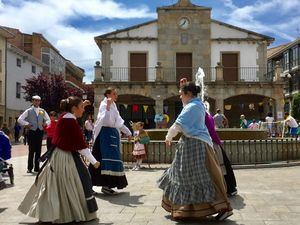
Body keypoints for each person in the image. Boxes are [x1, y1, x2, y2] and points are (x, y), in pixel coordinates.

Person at [157, 82, 233, 221]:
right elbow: (184, 117)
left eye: (181, 94)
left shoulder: (192, 107)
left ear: (189, 94)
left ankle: (222, 207)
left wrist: (168, 137)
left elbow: (178, 124)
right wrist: (183, 85)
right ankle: (186, 210)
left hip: (195, 147)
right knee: (188, 176)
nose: (180, 97)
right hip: (194, 145)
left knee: (200, 177)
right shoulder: (196, 105)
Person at [18, 96, 100, 224]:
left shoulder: (65, 116)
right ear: (73, 108)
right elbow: (81, 146)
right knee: (69, 184)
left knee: (57, 186)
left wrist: (81, 103)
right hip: (64, 157)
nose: (84, 110)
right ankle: (66, 214)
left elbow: (73, 118)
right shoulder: (70, 121)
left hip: (59, 155)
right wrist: (94, 162)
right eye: (82, 107)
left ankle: (53, 213)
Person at [89, 88, 132, 195]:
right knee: (99, 160)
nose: (116, 95)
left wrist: (128, 132)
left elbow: (118, 122)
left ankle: (107, 186)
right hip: (103, 137)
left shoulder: (114, 107)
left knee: (112, 160)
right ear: (108, 94)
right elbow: (106, 120)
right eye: (114, 94)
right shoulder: (104, 105)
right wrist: (107, 106)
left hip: (112, 136)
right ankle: (89, 186)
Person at [205, 110, 237, 196]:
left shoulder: (208, 116)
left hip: (211, 142)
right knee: (222, 165)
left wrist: (217, 141)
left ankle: (228, 188)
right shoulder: (209, 115)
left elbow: (211, 131)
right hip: (214, 138)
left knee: (220, 166)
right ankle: (229, 188)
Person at [17, 95, 51, 173]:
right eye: (35, 100)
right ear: (32, 101)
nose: (37, 102)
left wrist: (45, 123)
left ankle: (37, 168)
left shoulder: (42, 111)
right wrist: (27, 123)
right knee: (31, 150)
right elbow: (19, 119)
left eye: (38, 100)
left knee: (38, 150)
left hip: (39, 131)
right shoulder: (28, 111)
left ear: (40, 102)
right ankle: (29, 168)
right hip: (32, 131)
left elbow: (48, 120)